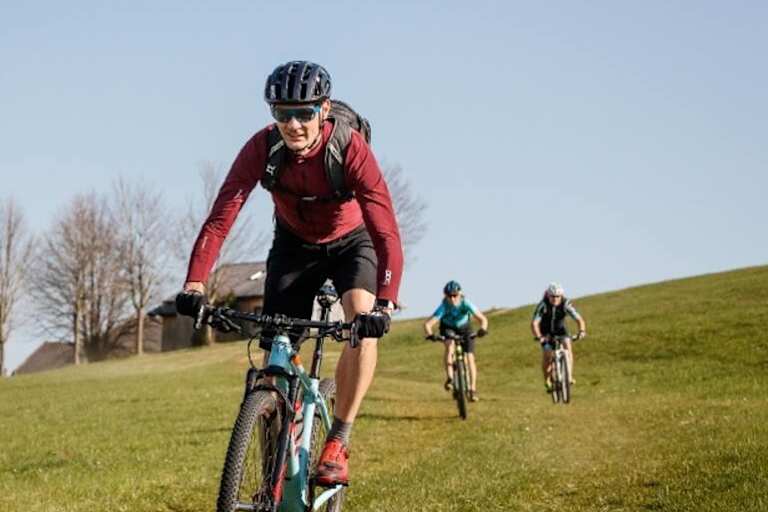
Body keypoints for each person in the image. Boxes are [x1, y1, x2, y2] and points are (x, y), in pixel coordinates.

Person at [174, 60, 403, 487]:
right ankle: (271, 472)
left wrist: (386, 301)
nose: (294, 124)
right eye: (282, 113)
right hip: (294, 247)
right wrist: (195, 282)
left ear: (324, 109)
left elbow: (384, 224)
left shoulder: (349, 148)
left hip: (353, 242)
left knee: (359, 321)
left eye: (304, 113)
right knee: (275, 351)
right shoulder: (262, 149)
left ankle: (338, 439)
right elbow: (220, 217)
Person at [423, 280, 488, 402]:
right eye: (449, 296)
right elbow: (428, 324)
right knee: (450, 345)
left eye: (455, 295)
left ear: (460, 294)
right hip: (448, 328)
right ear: (445, 296)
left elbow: (483, 319)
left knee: (470, 358)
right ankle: (450, 379)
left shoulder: (466, 304)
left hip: (465, 328)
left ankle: (472, 390)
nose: (452, 299)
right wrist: (431, 335)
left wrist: (482, 329)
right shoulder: (444, 306)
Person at [531, 282, 586, 392]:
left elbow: (579, 319)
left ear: (561, 296)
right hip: (545, 332)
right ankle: (547, 380)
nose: (555, 299)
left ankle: (569, 376)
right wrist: (539, 336)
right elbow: (534, 323)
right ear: (548, 295)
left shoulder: (566, 304)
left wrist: (582, 331)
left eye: (558, 296)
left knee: (567, 346)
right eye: (553, 296)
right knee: (547, 353)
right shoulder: (543, 305)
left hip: (561, 330)